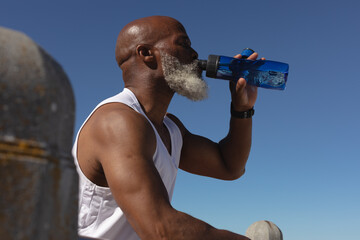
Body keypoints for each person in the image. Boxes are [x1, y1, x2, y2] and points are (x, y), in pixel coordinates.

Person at [73, 15, 262, 240]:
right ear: (147, 54)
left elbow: (230, 166)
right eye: (183, 43)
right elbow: (161, 229)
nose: (194, 54)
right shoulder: (116, 121)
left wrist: (242, 109)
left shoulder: (171, 129)